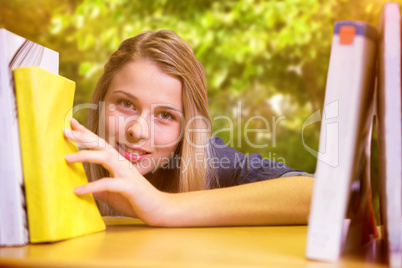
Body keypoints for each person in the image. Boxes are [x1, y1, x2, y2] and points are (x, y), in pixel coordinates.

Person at [64, 30, 314, 227]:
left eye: (165, 115)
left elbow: (319, 195)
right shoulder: (65, 157)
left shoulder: (211, 163)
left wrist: (164, 206)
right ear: (100, 101)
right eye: (126, 104)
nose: (137, 131)